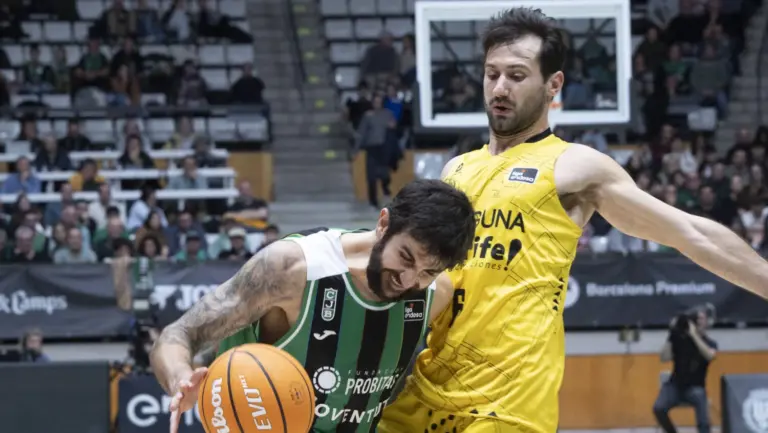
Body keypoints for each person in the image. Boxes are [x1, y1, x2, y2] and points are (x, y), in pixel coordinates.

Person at [379, 7, 768, 433]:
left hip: (504, 408)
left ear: (554, 84)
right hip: (421, 393)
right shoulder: (455, 170)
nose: (500, 87)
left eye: (516, 75)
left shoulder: (574, 165)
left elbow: (691, 233)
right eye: (492, 74)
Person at [150, 179, 476, 433]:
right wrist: (180, 380)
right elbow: (178, 335)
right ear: (383, 224)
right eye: (405, 257)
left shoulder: (435, 294)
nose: (407, 280)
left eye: (428, 272)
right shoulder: (291, 269)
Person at [654, 309, 717, 433]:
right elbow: (663, 357)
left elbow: (710, 356)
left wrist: (694, 335)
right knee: (658, 408)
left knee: (703, 420)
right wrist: (672, 334)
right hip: (675, 385)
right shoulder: (680, 340)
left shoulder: (710, 342)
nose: (699, 322)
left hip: (696, 387)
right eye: (696, 319)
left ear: (706, 323)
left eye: (701, 319)